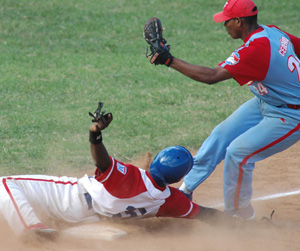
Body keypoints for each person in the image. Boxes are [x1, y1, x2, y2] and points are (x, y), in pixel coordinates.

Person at [145, 0, 300, 220]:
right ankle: (185, 191)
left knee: (238, 153)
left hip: (291, 114)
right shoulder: (271, 32)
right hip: (266, 101)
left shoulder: (256, 50)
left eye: (226, 22)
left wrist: (169, 60)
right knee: (221, 135)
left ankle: (239, 215)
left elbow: (211, 76)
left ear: (239, 21)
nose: (224, 26)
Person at [0, 105, 233, 242]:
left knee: (5, 183)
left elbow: (102, 162)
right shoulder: (171, 200)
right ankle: (52, 230)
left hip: (68, 199)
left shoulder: (131, 177)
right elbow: (207, 214)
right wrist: (242, 224)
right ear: (178, 179)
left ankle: (32, 230)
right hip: (88, 218)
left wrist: (95, 133)